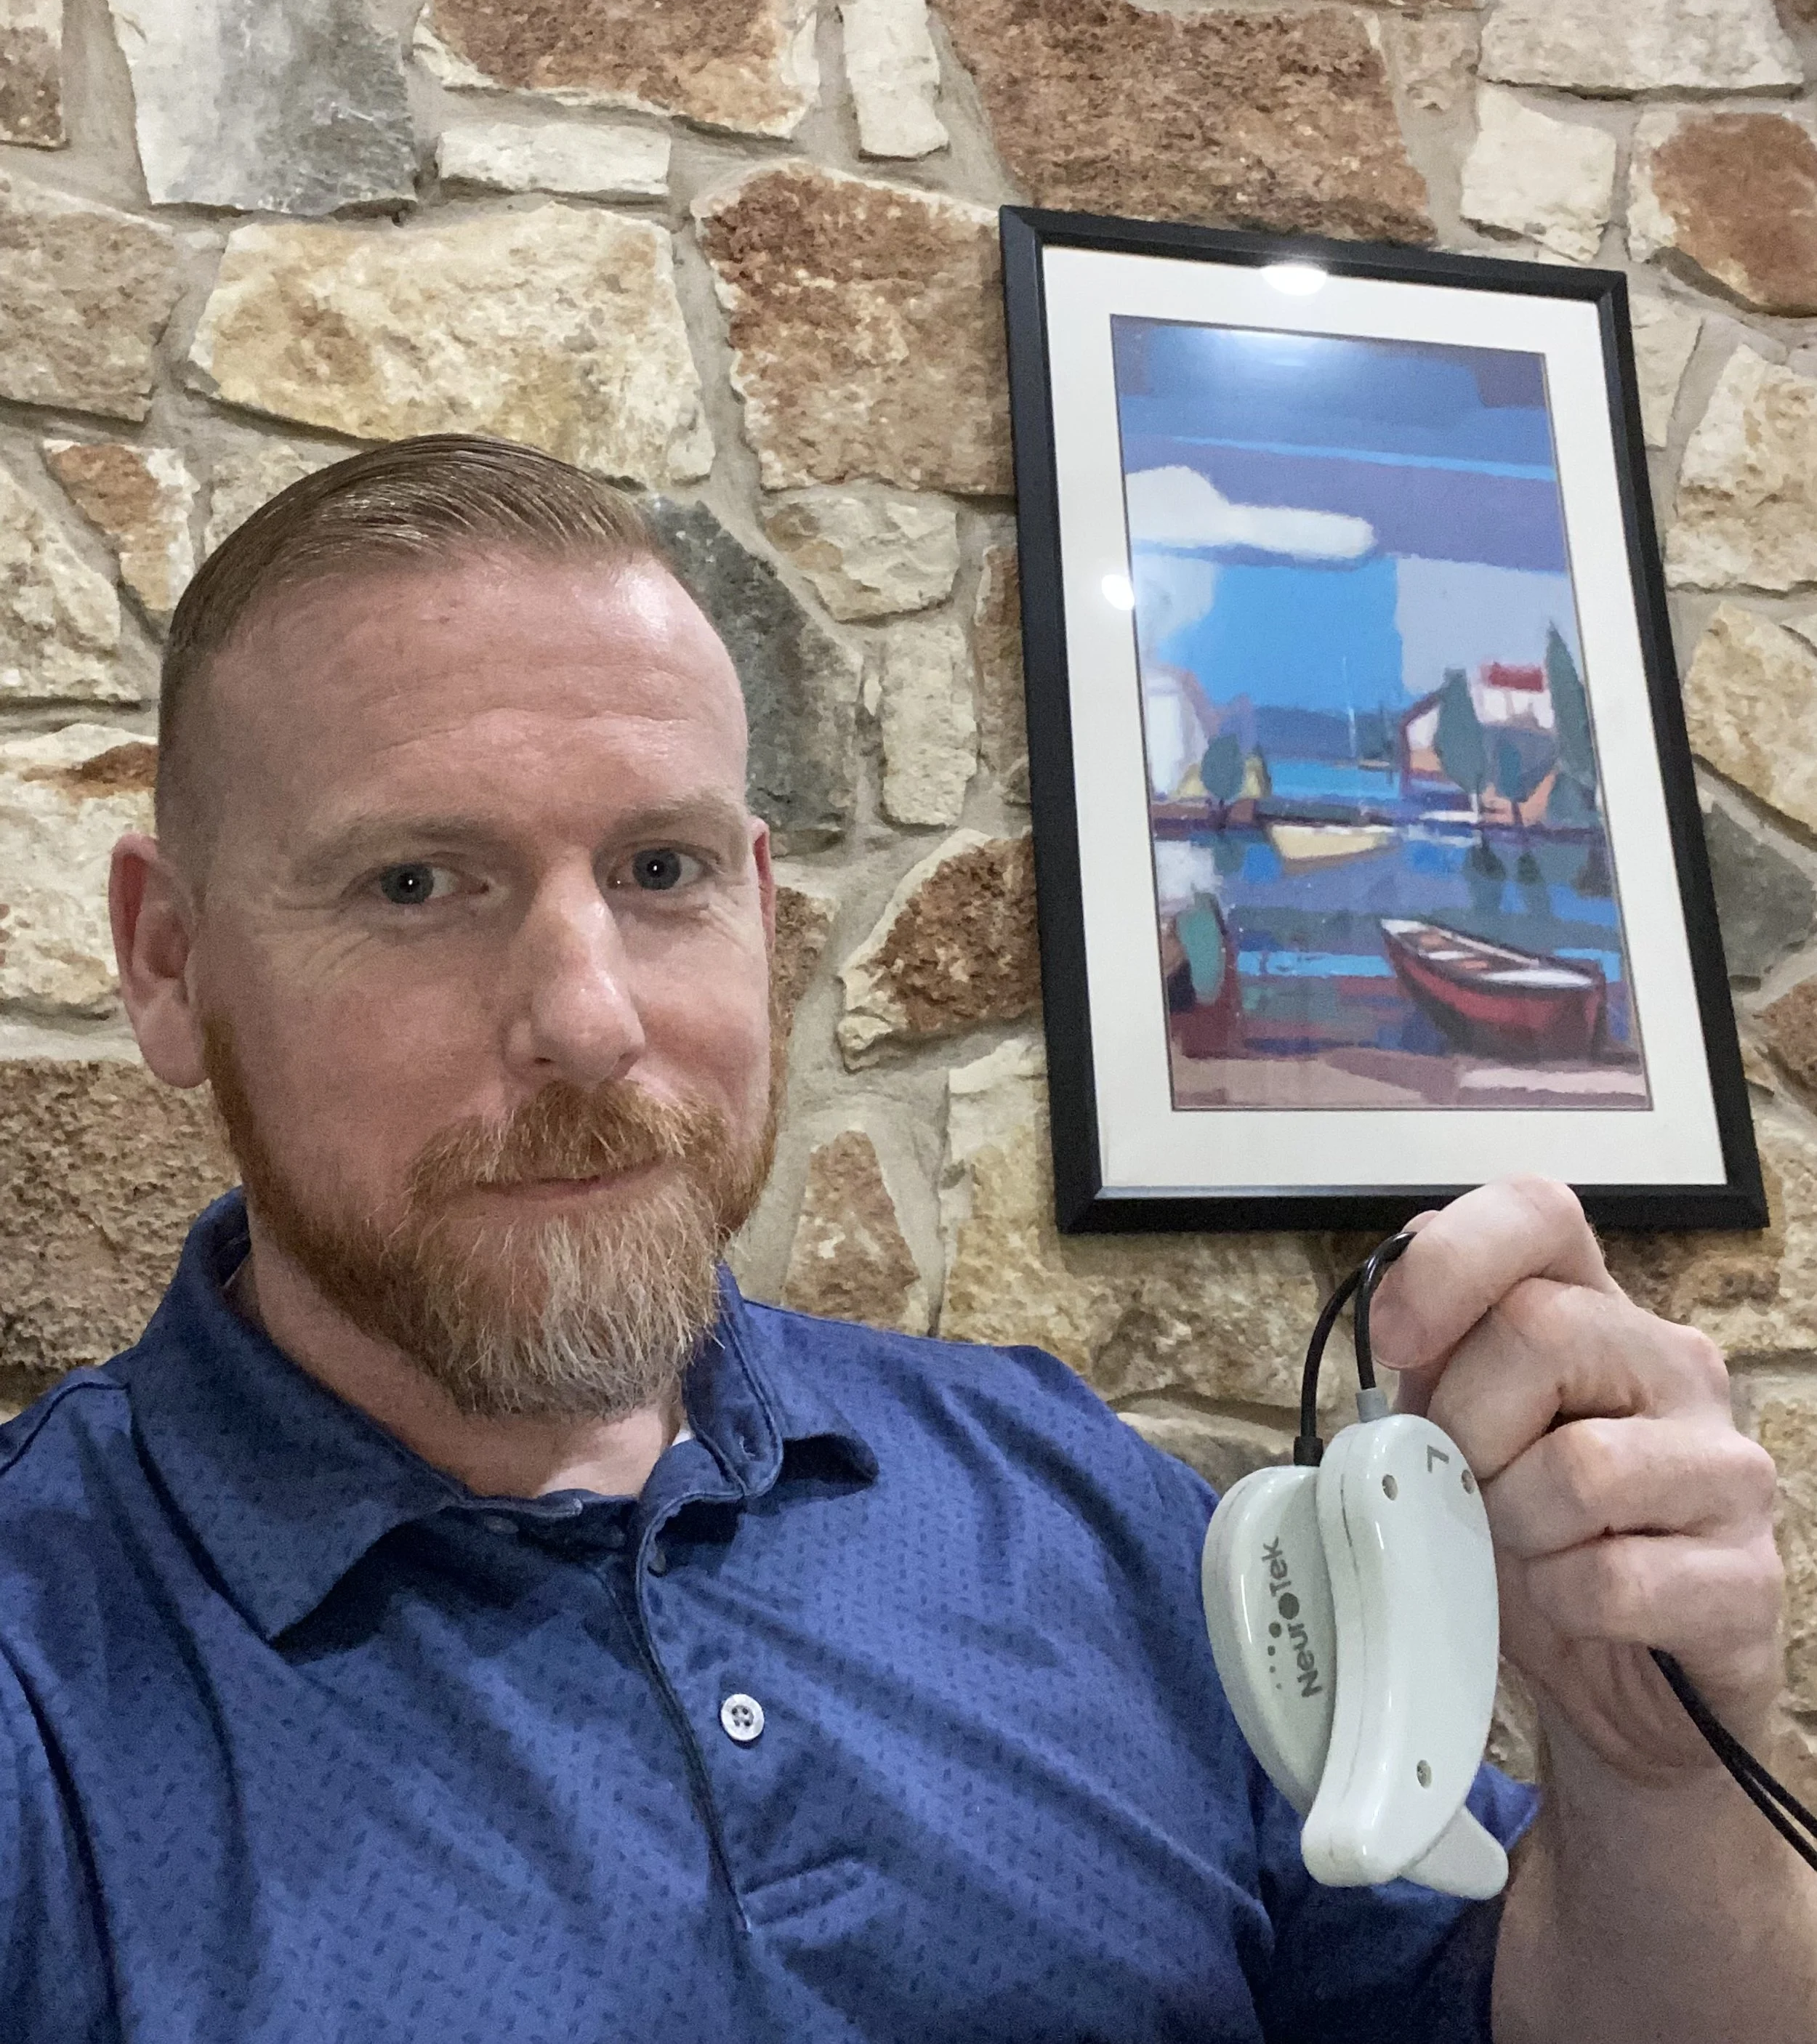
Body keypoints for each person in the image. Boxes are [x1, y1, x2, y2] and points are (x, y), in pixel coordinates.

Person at [1, 432, 1808, 2043]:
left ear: (762, 905)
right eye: (416, 883)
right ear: (169, 960)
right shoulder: (47, 1691)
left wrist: (1656, 1780)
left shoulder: (1073, 1503)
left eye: (660, 872)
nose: (591, 1018)